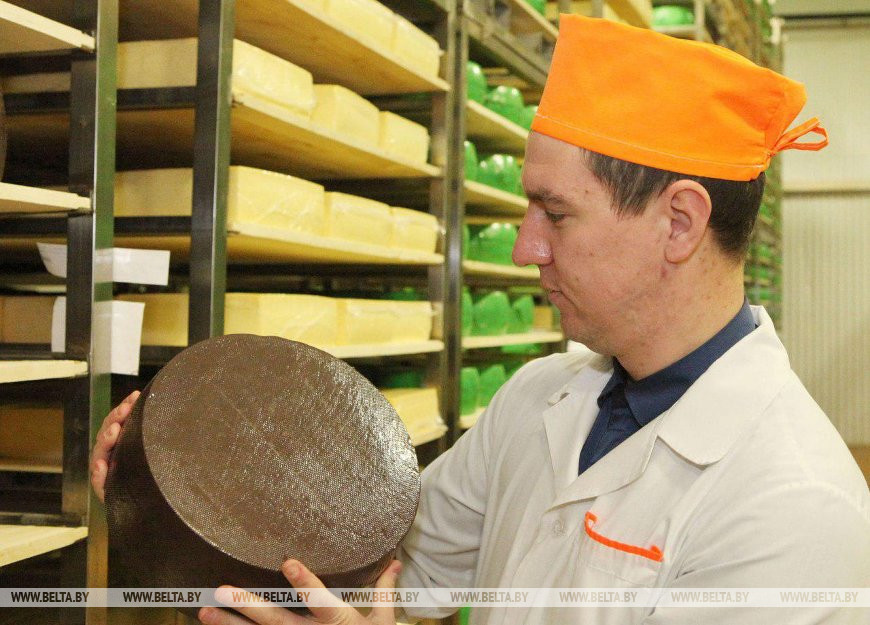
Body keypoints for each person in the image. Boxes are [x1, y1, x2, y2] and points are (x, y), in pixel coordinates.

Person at [91, 15, 870, 625]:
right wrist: (176, 494)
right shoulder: (538, 398)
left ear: (679, 223)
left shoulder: (793, 509)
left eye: (555, 214)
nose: (527, 247)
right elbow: (371, 570)